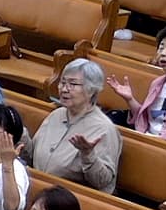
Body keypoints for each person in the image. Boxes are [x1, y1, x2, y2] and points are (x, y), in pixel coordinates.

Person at [29, 59, 122, 194]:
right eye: (62, 82)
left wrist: (88, 154)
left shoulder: (104, 128)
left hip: (68, 199)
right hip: (36, 187)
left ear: (91, 90)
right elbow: (32, 156)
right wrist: (19, 134)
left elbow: (103, 182)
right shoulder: (56, 115)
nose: (64, 89)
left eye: (72, 84)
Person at [107, 22, 166, 146]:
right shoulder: (158, 83)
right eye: (161, 47)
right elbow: (145, 121)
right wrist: (130, 99)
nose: (162, 53)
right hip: (145, 141)